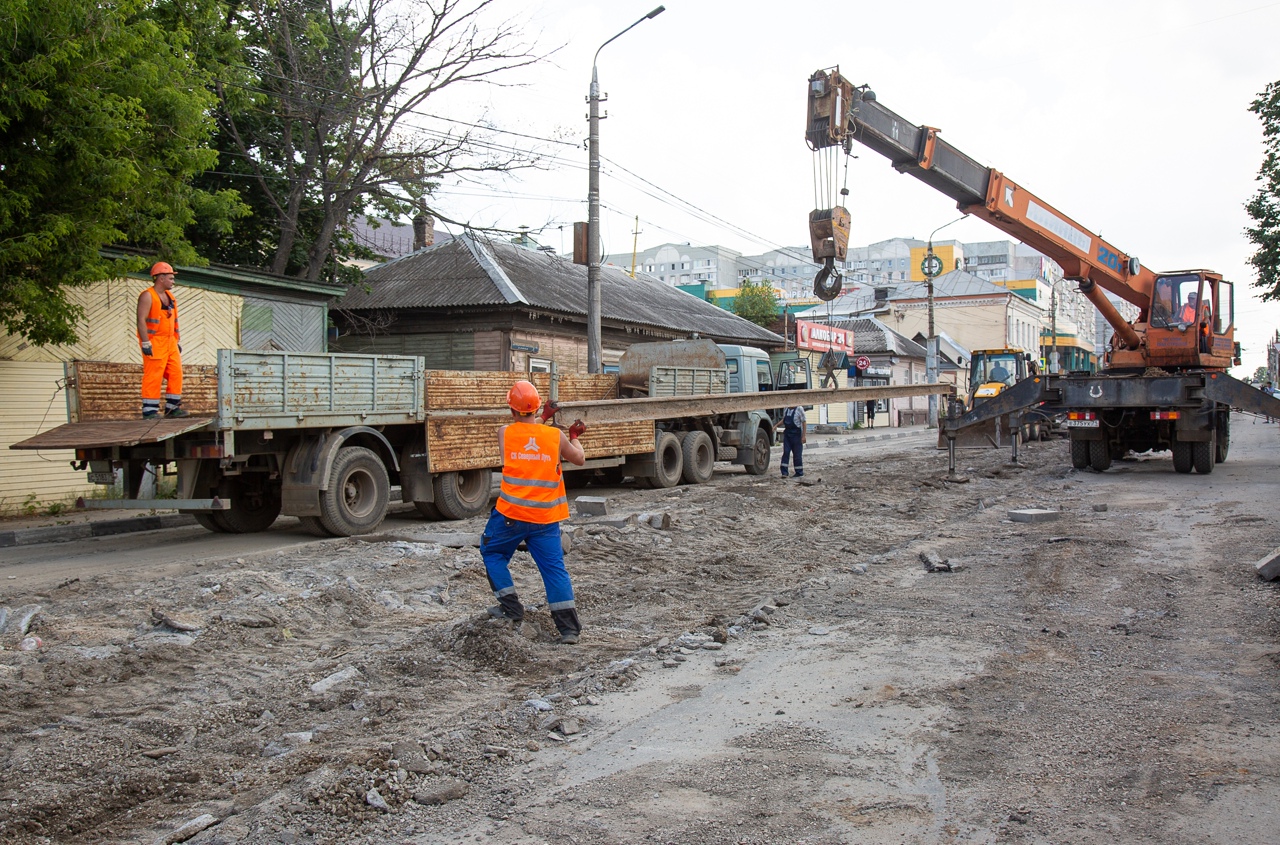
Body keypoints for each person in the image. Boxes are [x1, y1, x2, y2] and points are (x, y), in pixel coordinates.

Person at [481, 380, 586, 644]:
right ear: (537, 407)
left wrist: (542, 417)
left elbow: (526, 430)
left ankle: (511, 609)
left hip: (511, 517)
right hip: (546, 519)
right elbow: (579, 458)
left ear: (511, 410)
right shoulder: (555, 436)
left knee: (492, 552)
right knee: (553, 570)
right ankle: (569, 630)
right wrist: (574, 436)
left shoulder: (504, 432)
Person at [136, 261, 187, 419]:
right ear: (161, 278)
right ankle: (150, 411)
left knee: (176, 373)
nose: (173, 281)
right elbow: (141, 320)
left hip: (170, 342)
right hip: (154, 341)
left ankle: (172, 408)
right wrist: (145, 342)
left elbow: (172, 321)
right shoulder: (147, 295)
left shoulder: (170, 297)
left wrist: (176, 342)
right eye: (171, 278)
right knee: (154, 375)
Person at [779, 403, 806, 478]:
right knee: (786, 452)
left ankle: (799, 473)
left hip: (796, 435)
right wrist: (776, 426)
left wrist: (803, 436)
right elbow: (784, 420)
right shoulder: (786, 409)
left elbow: (804, 422)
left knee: (797, 454)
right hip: (788, 434)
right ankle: (784, 472)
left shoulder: (799, 409)